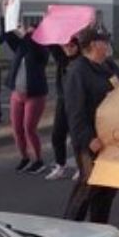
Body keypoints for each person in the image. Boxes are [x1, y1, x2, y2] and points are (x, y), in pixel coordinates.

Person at [63, 28, 119, 223]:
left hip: (111, 137)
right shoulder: (78, 71)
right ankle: (71, 228)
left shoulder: (108, 65)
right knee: (89, 184)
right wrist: (88, 138)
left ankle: (99, 227)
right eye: (104, 42)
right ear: (93, 45)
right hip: (91, 140)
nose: (107, 46)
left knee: (108, 186)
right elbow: (75, 111)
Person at [2, 23, 51, 174]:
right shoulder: (21, 47)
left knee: (29, 128)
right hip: (17, 94)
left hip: (34, 95)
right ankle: (24, 157)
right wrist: (5, 14)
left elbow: (37, 51)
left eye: (32, 31)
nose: (28, 32)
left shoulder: (41, 48)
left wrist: (28, 36)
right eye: (28, 29)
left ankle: (38, 160)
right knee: (17, 129)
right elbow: (8, 35)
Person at [45, 35, 82, 182]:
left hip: (78, 103)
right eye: (66, 45)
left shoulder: (82, 62)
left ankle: (81, 167)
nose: (68, 48)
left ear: (78, 46)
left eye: (72, 46)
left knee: (76, 137)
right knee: (57, 135)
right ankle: (60, 165)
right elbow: (51, 44)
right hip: (63, 101)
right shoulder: (62, 59)